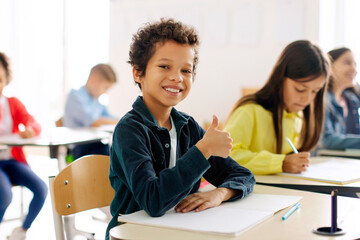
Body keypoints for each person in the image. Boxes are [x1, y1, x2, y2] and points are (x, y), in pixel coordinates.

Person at [105, 18, 255, 240]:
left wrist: (220, 193)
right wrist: (203, 150)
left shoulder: (188, 126)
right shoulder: (130, 130)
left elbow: (243, 175)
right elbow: (153, 201)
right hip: (134, 234)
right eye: (164, 66)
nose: (177, 77)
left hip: (180, 232)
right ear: (138, 73)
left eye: (186, 70)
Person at [224, 40, 330, 175]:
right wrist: (281, 163)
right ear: (280, 78)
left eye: (315, 91)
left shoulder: (299, 116)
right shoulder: (249, 110)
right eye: (300, 89)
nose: (308, 99)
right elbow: (227, 156)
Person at [0, 52, 48, 240]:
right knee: (4, 195)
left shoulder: (12, 103)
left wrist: (29, 129)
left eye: (1, 79)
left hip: (12, 161)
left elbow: (34, 123)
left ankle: (22, 231)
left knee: (41, 189)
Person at [63, 63, 118, 160]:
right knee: (111, 157)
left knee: (117, 153)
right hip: (80, 148)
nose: (105, 92)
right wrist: (123, 122)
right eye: (105, 87)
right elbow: (94, 122)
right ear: (94, 79)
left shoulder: (96, 101)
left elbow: (108, 116)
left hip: (96, 144)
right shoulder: (75, 96)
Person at [321, 47, 360, 149]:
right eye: (347, 63)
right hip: (329, 160)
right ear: (329, 65)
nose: (354, 70)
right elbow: (326, 140)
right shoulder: (324, 100)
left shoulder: (351, 99)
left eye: (355, 65)